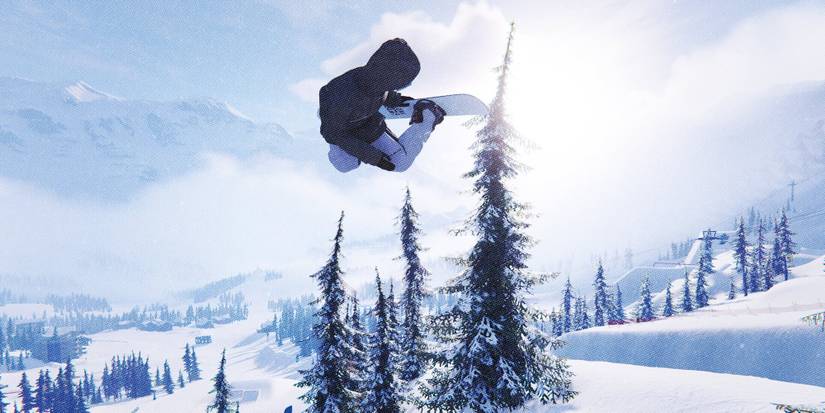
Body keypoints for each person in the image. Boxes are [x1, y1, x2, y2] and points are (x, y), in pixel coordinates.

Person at [319, 38, 445, 173]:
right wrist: (375, 158)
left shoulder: (374, 78)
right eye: (403, 82)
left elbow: (377, 89)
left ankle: (428, 118)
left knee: (400, 163)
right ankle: (352, 150)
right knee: (345, 165)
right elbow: (333, 134)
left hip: (367, 126)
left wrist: (395, 99)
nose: (406, 85)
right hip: (341, 131)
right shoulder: (343, 99)